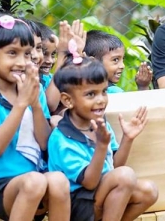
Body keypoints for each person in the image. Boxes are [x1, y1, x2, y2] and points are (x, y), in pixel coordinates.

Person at [0, 13, 70, 221]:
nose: (22, 62)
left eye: (27, 54)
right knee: (35, 182)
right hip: (0, 185)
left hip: (36, 179)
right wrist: (22, 104)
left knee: (58, 180)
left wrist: (36, 106)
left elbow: (43, 144)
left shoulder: (34, 88)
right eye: (12, 53)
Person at [48, 54, 158, 221]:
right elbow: (89, 182)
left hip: (100, 195)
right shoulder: (62, 139)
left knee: (148, 191)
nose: (101, 100)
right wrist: (101, 146)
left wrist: (128, 138)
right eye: (91, 94)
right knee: (126, 175)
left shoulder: (100, 124)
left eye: (104, 91)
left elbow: (115, 167)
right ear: (68, 100)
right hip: (77, 205)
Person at [84, 30, 152, 93]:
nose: (122, 66)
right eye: (115, 60)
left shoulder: (80, 90)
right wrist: (143, 87)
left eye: (123, 59)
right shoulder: (114, 91)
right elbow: (139, 105)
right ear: (93, 62)